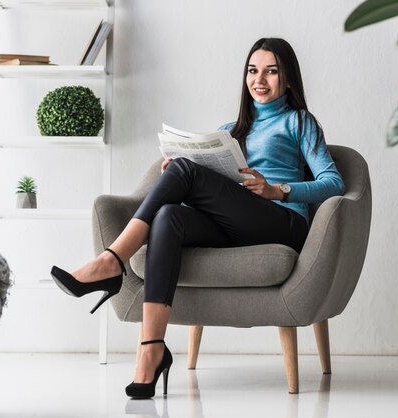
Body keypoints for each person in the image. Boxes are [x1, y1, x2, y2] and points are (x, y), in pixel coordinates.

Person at [50, 37, 345, 399]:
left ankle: (111, 261)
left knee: (185, 174)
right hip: (236, 225)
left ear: (288, 79)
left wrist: (279, 190)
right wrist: (174, 172)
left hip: (283, 223)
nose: (260, 80)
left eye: (271, 71)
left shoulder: (300, 121)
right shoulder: (231, 130)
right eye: (253, 71)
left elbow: (333, 182)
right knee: (169, 216)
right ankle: (151, 350)